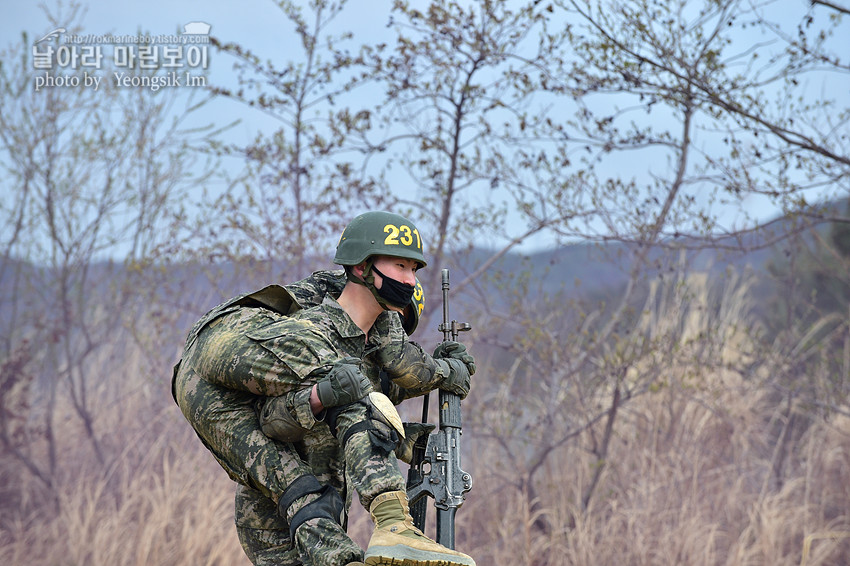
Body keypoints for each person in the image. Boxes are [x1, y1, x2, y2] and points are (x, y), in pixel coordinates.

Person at [172, 211, 476, 566]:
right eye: (401, 268)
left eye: (414, 272)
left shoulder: (345, 353)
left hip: (294, 517)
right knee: (347, 392)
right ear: (363, 269)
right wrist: (446, 372)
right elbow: (391, 374)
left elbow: (378, 385)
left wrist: (409, 440)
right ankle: (394, 525)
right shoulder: (318, 331)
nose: (408, 281)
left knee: (301, 480)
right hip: (222, 355)